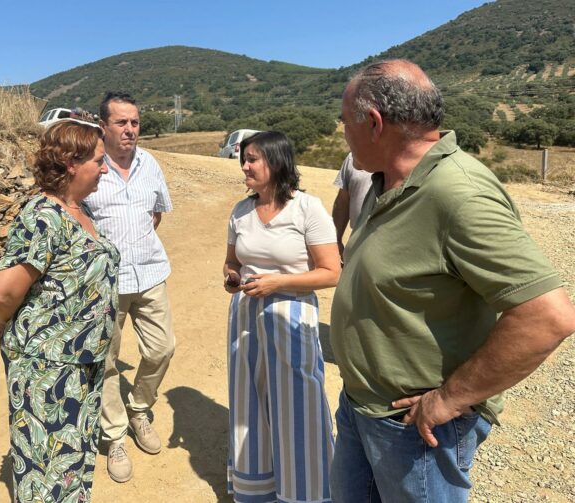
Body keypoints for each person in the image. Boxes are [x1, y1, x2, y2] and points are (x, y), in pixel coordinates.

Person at [329, 59, 575, 502]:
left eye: (345, 121)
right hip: (361, 405)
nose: (342, 132)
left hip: (410, 427)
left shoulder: (458, 194)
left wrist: (450, 398)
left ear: (374, 123)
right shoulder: (387, 181)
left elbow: (547, 315)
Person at [0, 121, 120, 503]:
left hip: (81, 363)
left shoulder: (79, 210)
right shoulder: (43, 216)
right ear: (70, 162)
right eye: (99, 160)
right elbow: (2, 291)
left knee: (72, 461)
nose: (105, 168)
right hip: (48, 369)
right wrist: (7, 319)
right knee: (47, 472)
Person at [223, 131, 341, 503]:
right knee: (250, 402)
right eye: (243, 159)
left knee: (298, 404)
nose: (244, 166)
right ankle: (258, 490)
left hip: (292, 317)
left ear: (275, 162)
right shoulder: (241, 211)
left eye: (252, 159)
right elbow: (232, 262)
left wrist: (279, 282)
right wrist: (232, 278)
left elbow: (332, 272)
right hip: (246, 318)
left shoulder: (307, 208)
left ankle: (306, 492)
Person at [83, 91, 175, 483]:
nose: (130, 129)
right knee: (106, 360)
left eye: (135, 122)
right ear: (102, 126)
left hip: (150, 273)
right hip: (106, 282)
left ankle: (139, 408)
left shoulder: (149, 163)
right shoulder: (89, 165)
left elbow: (156, 214)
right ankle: (116, 434)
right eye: (121, 122)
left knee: (162, 348)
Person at [331, 152, 372, 257]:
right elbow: (342, 202)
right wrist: (336, 239)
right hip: (356, 240)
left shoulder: (403, 158)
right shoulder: (354, 155)